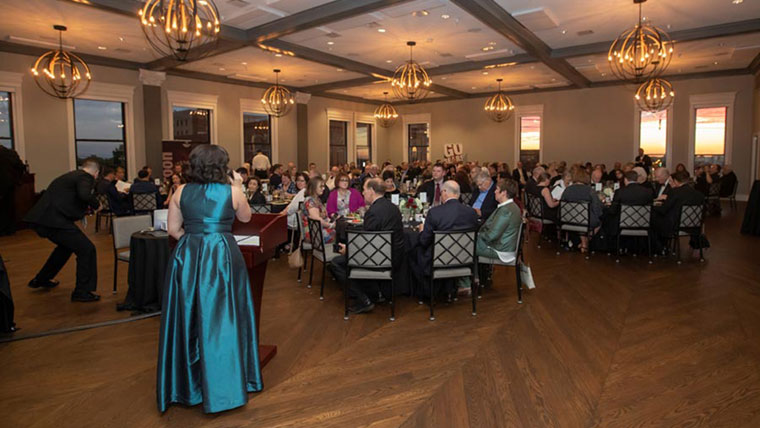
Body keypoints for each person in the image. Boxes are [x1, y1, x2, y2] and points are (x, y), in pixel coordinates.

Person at [157, 144, 262, 414]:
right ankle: (226, 386)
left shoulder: (180, 191)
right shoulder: (233, 192)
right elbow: (247, 217)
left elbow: (172, 230)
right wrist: (237, 184)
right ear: (222, 166)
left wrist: (195, 244)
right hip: (223, 257)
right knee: (224, 317)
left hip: (188, 257)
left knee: (188, 317)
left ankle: (187, 386)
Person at [23, 159, 102, 302]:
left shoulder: (70, 176)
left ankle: (42, 279)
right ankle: (82, 291)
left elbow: (70, 199)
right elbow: (84, 195)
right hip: (55, 221)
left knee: (65, 248)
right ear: (96, 173)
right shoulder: (85, 177)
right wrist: (97, 205)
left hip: (43, 220)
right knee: (87, 249)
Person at [330, 178, 405, 314]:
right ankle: (376, 293)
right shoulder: (393, 207)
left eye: (364, 190)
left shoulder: (374, 212)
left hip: (380, 259)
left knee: (336, 263)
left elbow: (368, 244)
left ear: (371, 191)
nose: (363, 193)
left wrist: (348, 250)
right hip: (395, 256)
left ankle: (363, 299)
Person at [413, 181, 479, 297]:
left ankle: (426, 293)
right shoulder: (471, 213)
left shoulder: (435, 212)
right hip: (464, 259)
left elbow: (424, 241)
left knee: (415, 250)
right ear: (458, 194)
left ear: (444, 192)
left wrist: (422, 230)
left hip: (438, 260)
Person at [476, 178, 522, 261]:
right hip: (504, 246)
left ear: (504, 193)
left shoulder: (506, 210)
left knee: (466, 245)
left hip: (501, 250)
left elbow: (491, 236)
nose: (495, 192)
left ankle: (473, 273)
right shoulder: (512, 206)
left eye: (497, 189)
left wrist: (477, 235)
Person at [652, 170, 705, 242]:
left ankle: (659, 248)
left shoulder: (674, 192)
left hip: (676, 225)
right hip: (694, 224)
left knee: (653, 221)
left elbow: (663, 209)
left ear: (676, 181)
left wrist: (653, 206)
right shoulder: (699, 194)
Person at [560, 168, 603, 253]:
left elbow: (562, 205)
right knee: (599, 221)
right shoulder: (590, 191)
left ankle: (583, 242)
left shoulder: (567, 190)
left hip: (568, 219)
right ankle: (586, 241)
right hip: (585, 220)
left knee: (582, 218)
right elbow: (597, 209)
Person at [609, 170, 655, 235]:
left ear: (625, 179)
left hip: (623, 224)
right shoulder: (648, 192)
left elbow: (612, 211)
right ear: (636, 179)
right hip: (643, 224)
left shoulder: (620, 192)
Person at [301, 177, 336, 246]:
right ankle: (333, 254)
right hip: (313, 233)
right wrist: (330, 225)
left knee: (339, 231)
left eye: (323, 186)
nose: (323, 188)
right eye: (321, 186)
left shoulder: (317, 199)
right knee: (339, 233)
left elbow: (322, 216)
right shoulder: (310, 201)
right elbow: (317, 219)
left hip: (317, 229)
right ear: (313, 187)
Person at [0, 146, 25, 235]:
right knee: (9, 207)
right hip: (9, 183)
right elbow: (21, 167)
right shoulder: (10, 153)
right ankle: (9, 229)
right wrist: (17, 179)